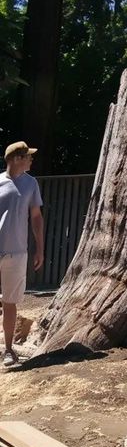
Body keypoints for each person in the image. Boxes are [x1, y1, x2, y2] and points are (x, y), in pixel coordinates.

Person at [0, 141, 44, 366]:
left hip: (17, 252)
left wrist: (40, 248)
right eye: (28, 156)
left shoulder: (31, 184)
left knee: (10, 302)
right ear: (17, 159)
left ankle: (8, 350)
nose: (31, 159)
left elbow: (36, 216)